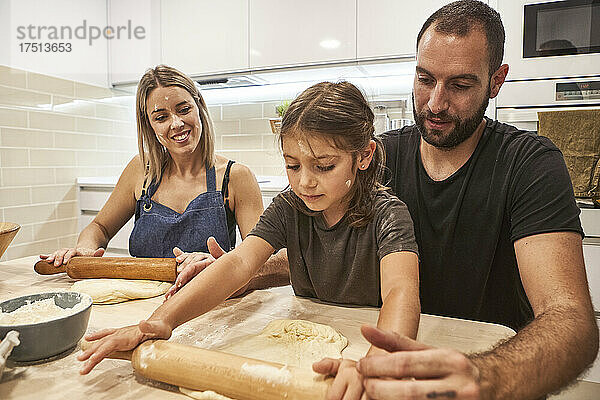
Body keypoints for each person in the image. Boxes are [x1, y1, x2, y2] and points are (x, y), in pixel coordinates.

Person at [313, 1, 598, 399]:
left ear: (496, 82)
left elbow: (571, 320)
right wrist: (244, 270)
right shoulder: (379, 158)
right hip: (382, 372)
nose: (435, 103)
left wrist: (486, 376)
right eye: (425, 79)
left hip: (491, 375)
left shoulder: (529, 164)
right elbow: (319, 246)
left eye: (460, 86)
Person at [78, 81, 421, 398]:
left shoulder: (388, 215)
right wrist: (160, 321)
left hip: (367, 342)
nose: (305, 183)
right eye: (293, 166)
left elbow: (399, 292)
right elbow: (239, 262)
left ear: (363, 156)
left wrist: (376, 365)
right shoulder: (291, 206)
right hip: (303, 339)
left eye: (324, 167)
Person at [40, 65, 288, 293]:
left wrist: (222, 266)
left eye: (184, 109)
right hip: (137, 304)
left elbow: (264, 260)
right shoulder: (141, 170)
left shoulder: (236, 177)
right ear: (149, 125)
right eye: (161, 117)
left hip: (208, 304)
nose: (177, 124)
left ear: (199, 107)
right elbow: (100, 228)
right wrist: (85, 251)